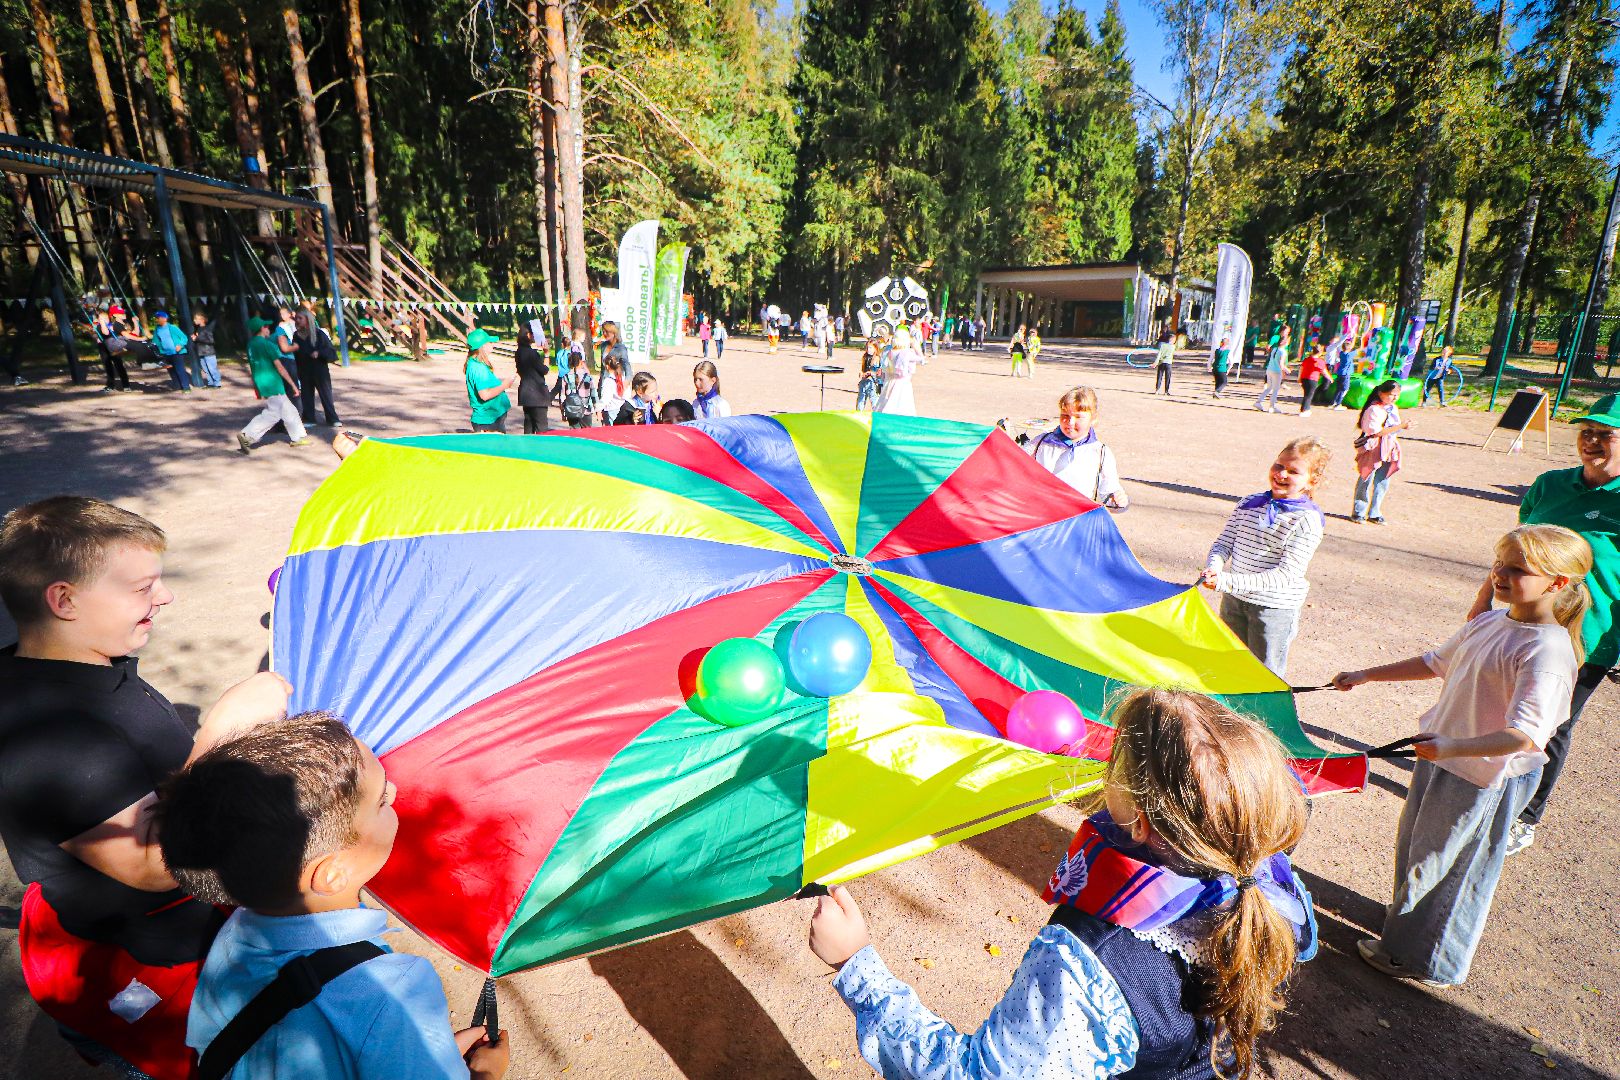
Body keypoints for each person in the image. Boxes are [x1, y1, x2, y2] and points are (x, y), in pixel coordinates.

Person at [808, 687, 1316, 1080]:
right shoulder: (1263, 877)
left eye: (1115, 763)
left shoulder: (1091, 968)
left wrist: (857, 966)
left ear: (1140, 822)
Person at [0, 497, 292, 1078]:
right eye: (142, 587)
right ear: (64, 600)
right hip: (143, 961)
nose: (166, 596)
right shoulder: (52, 735)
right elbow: (154, 864)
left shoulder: (86, 664)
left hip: (172, 932)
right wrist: (220, 733)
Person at [159, 713, 512, 1079]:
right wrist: (484, 1075)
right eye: (380, 800)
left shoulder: (235, 934)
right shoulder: (397, 989)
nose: (394, 793)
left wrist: (416, 1050)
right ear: (332, 873)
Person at [1333, 524, 1589, 988]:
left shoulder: (1547, 651)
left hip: (1485, 773)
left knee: (1453, 867)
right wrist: (1366, 675)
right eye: (1499, 564)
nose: (1500, 575)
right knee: (1421, 851)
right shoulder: (1492, 622)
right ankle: (1407, 929)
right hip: (1445, 759)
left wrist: (1452, 746)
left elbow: (1526, 735)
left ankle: (1425, 959)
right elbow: (1435, 662)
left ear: (1557, 583)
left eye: (1518, 569)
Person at [1468, 394, 1620, 855]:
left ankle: (1524, 815)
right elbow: (1512, 550)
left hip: (1587, 636)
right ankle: (1484, 781)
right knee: (1498, 708)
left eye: (1606, 434)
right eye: (1586, 432)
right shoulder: (1549, 485)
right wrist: (1482, 600)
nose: (1591, 441)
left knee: (1549, 726)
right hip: (1521, 622)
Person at [1202, 437, 1330, 677]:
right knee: (1229, 665)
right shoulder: (1249, 504)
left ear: (1312, 480)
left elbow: (1286, 575)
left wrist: (1226, 581)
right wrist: (1214, 567)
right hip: (1234, 600)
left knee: (1263, 674)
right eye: (1279, 465)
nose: (1281, 474)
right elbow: (1224, 543)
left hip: (1272, 609)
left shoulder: (1307, 520)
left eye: (1293, 471)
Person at [1026, 387, 1128, 508]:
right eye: (1065, 415)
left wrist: (1117, 499)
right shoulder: (1041, 443)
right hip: (1042, 512)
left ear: (1093, 419)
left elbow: (1109, 491)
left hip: (1077, 516)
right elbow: (1016, 463)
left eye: (1078, 417)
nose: (1070, 422)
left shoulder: (1101, 453)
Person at [238, 317, 310, 452]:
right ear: (261, 328)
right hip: (273, 382)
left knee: (289, 410)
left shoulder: (251, 344)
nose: (269, 330)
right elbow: (280, 367)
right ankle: (247, 435)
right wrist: (293, 385)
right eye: (266, 327)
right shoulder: (267, 345)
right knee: (273, 414)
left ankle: (298, 437)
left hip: (262, 381)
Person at [1351, 379, 1411, 524]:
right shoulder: (1374, 409)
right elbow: (1376, 432)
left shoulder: (1392, 408)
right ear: (1381, 393)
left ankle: (1375, 512)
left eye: (1397, 395)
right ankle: (1359, 511)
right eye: (1391, 394)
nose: (1394, 398)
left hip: (1388, 446)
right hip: (1373, 447)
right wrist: (1401, 426)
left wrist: (1402, 426)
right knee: (1366, 477)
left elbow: (1392, 428)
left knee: (1383, 480)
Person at [292, 310, 341, 427]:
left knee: (326, 394)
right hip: (304, 369)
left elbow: (330, 351)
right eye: (296, 318)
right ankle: (309, 419)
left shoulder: (319, 334)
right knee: (306, 394)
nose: (297, 320)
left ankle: (332, 418)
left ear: (307, 319)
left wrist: (319, 353)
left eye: (300, 318)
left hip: (319, 369)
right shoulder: (296, 335)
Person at [464, 328, 516, 433]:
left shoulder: (476, 364)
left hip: (492, 418)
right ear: (483, 346)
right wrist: (504, 385)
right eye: (490, 342)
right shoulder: (478, 368)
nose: (492, 344)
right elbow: (485, 395)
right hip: (487, 421)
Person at [515, 326, 551, 434]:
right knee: (541, 429)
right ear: (528, 335)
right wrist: (546, 354)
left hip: (526, 393)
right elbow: (545, 370)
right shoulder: (532, 353)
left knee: (528, 426)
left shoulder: (519, 351)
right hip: (537, 394)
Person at [877, 327, 921, 415]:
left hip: (888, 381)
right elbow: (921, 359)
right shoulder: (906, 353)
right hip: (902, 383)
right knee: (901, 407)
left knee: (884, 404)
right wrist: (915, 345)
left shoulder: (887, 350)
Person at [150, 310, 192, 394]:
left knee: (180, 370)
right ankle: (177, 386)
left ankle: (186, 387)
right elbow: (155, 341)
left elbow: (184, 337)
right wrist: (156, 349)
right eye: (157, 318)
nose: (157, 319)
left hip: (177, 352)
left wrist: (180, 345)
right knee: (171, 370)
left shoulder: (173, 327)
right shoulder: (157, 329)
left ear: (165, 318)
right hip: (165, 353)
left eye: (159, 318)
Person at [93, 308, 132, 392]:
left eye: (106, 318)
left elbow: (106, 332)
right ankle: (110, 385)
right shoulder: (99, 326)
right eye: (101, 319)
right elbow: (98, 335)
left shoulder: (111, 326)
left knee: (119, 365)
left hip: (113, 346)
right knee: (108, 366)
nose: (104, 320)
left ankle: (126, 385)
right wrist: (96, 336)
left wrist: (104, 323)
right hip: (103, 347)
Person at [555, 352, 596, 429]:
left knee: (574, 434)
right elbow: (593, 394)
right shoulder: (587, 377)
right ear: (581, 362)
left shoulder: (566, 377)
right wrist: (597, 409)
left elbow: (562, 396)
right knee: (587, 433)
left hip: (571, 410)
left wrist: (563, 412)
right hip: (586, 410)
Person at [1256, 327, 1289, 413]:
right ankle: (1272, 407)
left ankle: (1258, 402)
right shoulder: (1283, 352)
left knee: (1269, 388)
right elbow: (1281, 364)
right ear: (1285, 343)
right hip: (1276, 371)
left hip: (1269, 369)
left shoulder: (1274, 349)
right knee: (1275, 390)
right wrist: (1286, 370)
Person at [191, 310, 222, 389]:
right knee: (206, 369)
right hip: (201, 352)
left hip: (208, 352)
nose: (194, 320)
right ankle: (210, 383)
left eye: (196, 319)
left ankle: (217, 383)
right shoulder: (198, 329)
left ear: (202, 319)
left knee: (212, 368)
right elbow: (199, 340)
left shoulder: (207, 329)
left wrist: (197, 338)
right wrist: (195, 339)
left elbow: (210, 341)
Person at [597, 354, 629, 428]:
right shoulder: (623, 378)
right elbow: (627, 395)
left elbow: (605, 399)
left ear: (607, 366)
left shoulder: (608, 381)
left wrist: (598, 409)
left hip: (610, 411)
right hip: (622, 410)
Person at [1297, 342, 1327, 417]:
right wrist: (1330, 378)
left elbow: (1301, 368)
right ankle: (1304, 410)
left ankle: (1306, 409)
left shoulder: (1307, 359)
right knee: (1309, 395)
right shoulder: (1320, 361)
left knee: (1307, 394)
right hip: (1313, 380)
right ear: (1320, 352)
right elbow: (1324, 371)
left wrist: (1299, 378)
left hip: (1304, 378)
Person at [856, 336, 885, 411]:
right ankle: (859, 411)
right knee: (861, 398)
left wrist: (871, 373)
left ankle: (876, 412)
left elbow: (879, 373)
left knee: (873, 399)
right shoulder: (865, 357)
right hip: (864, 381)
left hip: (872, 383)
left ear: (875, 348)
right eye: (867, 347)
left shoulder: (877, 358)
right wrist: (862, 373)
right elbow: (863, 369)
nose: (868, 349)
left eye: (871, 348)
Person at [1329, 336, 1355, 410]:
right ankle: (1338, 404)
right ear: (1349, 348)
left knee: (1338, 389)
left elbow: (1349, 347)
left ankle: (1333, 402)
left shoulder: (1341, 353)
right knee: (1344, 389)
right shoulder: (1349, 355)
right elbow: (1360, 348)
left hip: (1340, 373)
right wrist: (1358, 338)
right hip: (1345, 374)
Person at [1153, 329, 1175, 396]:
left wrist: (1155, 363)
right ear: (1172, 340)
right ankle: (1166, 391)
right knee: (1167, 377)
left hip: (1161, 362)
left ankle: (1157, 390)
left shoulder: (1162, 345)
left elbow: (1159, 354)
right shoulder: (1173, 347)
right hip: (1168, 363)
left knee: (1159, 376)